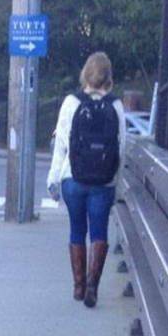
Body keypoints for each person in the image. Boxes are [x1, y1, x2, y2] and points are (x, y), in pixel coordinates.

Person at [47, 51, 126, 308]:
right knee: (99, 231)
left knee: (77, 230)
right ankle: (93, 285)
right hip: (103, 182)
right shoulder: (115, 106)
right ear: (108, 77)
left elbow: (60, 145)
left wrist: (54, 179)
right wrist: (117, 180)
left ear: (86, 74)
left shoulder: (71, 102)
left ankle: (78, 285)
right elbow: (121, 147)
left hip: (74, 179)